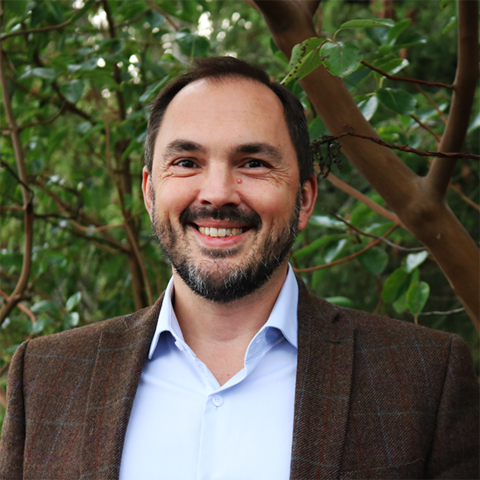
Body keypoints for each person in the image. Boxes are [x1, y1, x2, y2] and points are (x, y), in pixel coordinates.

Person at [1, 57, 479, 480]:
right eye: (186, 162)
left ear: (304, 199)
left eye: (252, 163)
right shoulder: (46, 377)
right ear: (149, 192)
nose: (217, 194)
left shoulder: (422, 377)